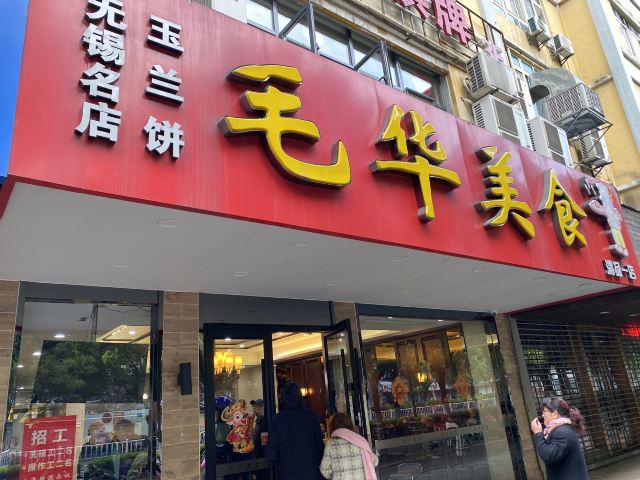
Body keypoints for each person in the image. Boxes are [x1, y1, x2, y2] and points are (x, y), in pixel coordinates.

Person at [265, 383, 324, 480]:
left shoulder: (278, 420)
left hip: (288, 473)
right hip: (312, 472)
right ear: (300, 397)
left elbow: (271, 453)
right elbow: (320, 447)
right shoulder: (311, 416)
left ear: (283, 398)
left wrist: (280, 463)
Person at [530, 397, 589, 480]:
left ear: (554, 413)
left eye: (544, 411)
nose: (542, 415)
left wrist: (538, 433)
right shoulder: (561, 428)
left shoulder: (561, 432)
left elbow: (549, 456)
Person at [320, 412, 378, 480]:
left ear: (332, 427)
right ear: (349, 424)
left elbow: (324, 471)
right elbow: (375, 461)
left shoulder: (330, 444)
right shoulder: (361, 440)